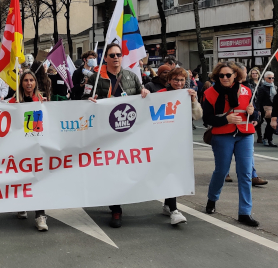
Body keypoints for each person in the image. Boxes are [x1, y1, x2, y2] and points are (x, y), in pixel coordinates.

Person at [83, 43, 150, 228]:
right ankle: (116, 208)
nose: (115, 58)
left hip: (126, 132)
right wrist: (89, 100)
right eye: (112, 55)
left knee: (122, 167)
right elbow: (82, 99)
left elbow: (141, 95)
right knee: (109, 168)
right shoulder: (96, 78)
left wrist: (144, 93)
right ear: (105, 58)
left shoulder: (131, 76)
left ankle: (117, 204)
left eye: (118, 54)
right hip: (104, 133)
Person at [202, 62, 259, 227]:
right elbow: (207, 119)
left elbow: (255, 114)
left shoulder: (246, 91)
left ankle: (245, 212)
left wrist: (253, 112)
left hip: (245, 134)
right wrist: (225, 119)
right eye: (221, 75)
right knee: (221, 171)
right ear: (217, 77)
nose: (225, 78)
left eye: (228, 75)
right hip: (222, 135)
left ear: (236, 75)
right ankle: (212, 199)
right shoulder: (209, 93)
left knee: (245, 173)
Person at [155, 67, 201, 225]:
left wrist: (194, 100)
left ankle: (169, 205)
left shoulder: (187, 95)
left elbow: (197, 115)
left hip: (181, 140)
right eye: (176, 80)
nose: (179, 83)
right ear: (169, 80)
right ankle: (173, 209)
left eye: (182, 80)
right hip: (163, 141)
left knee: (174, 171)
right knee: (169, 172)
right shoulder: (160, 94)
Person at [6, 70, 49, 231]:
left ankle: (40, 215)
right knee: (22, 178)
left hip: (37, 147)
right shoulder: (13, 101)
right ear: (21, 83)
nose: (29, 83)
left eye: (31, 80)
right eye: (26, 80)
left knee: (39, 180)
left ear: (35, 83)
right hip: (19, 148)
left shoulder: (42, 101)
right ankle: (22, 205)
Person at [257, 71, 277, 147]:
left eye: (273, 78)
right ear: (265, 78)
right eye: (269, 78)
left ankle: (269, 139)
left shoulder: (274, 87)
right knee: (269, 124)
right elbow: (259, 99)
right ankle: (267, 139)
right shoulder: (262, 88)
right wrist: (258, 109)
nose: (271, 79)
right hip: (265, 109)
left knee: (271, 124)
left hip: (273, 108)